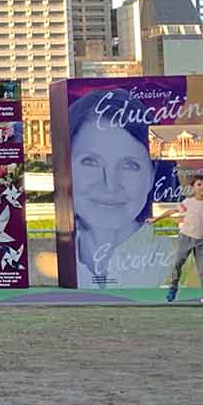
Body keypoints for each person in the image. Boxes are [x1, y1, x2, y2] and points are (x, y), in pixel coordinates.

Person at [65, 89, 155, 286]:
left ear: (152, 175)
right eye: (90, 162)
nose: (110, 184)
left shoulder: (193, 262)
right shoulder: (54, 260)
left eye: (130, 165)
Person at [162, 174, 203, 305]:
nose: (202, 187)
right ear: (193, 188)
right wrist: (156, 219)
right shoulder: (188, 202)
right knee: (178, 263)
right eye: (199, 184)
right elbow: (172, 211)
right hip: (186, 237)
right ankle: (173, 287)